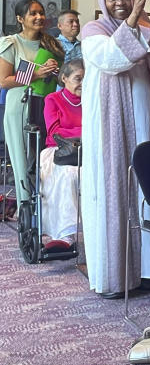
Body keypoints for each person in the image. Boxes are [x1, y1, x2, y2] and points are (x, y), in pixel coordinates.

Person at [80, 0, 150, 298]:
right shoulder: (93, 31)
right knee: (113, 190)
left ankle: (147, 272)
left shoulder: (145, 26)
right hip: (110, 124)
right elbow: (111, 59)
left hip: (143, 121)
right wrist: (136, 17)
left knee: (144, 189)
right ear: (101, 2)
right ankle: (114, 277)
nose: (119, 2)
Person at [0, 0, 63, 210]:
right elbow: (4, 80)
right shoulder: (11, 43)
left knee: (43, 159)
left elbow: (61, 79)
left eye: (41, 13)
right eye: (33, 13)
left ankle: (46, 211)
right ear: (20, 19)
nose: (39, 17)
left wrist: (56, 72)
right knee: (22, 160)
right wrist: (36, 73)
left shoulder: (51, 43)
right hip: (19, 106)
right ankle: (25, 208)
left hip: (45, 106)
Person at [39, 58, 83, 250]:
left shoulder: (92, 99)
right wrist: (85, 132)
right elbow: (54, 132)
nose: (82, 84)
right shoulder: (53, 99)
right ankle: (66, 235)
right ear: (64, 78)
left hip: (86, 149)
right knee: (68, 175)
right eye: (78, 78)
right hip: (59, 150)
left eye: (86, 79)